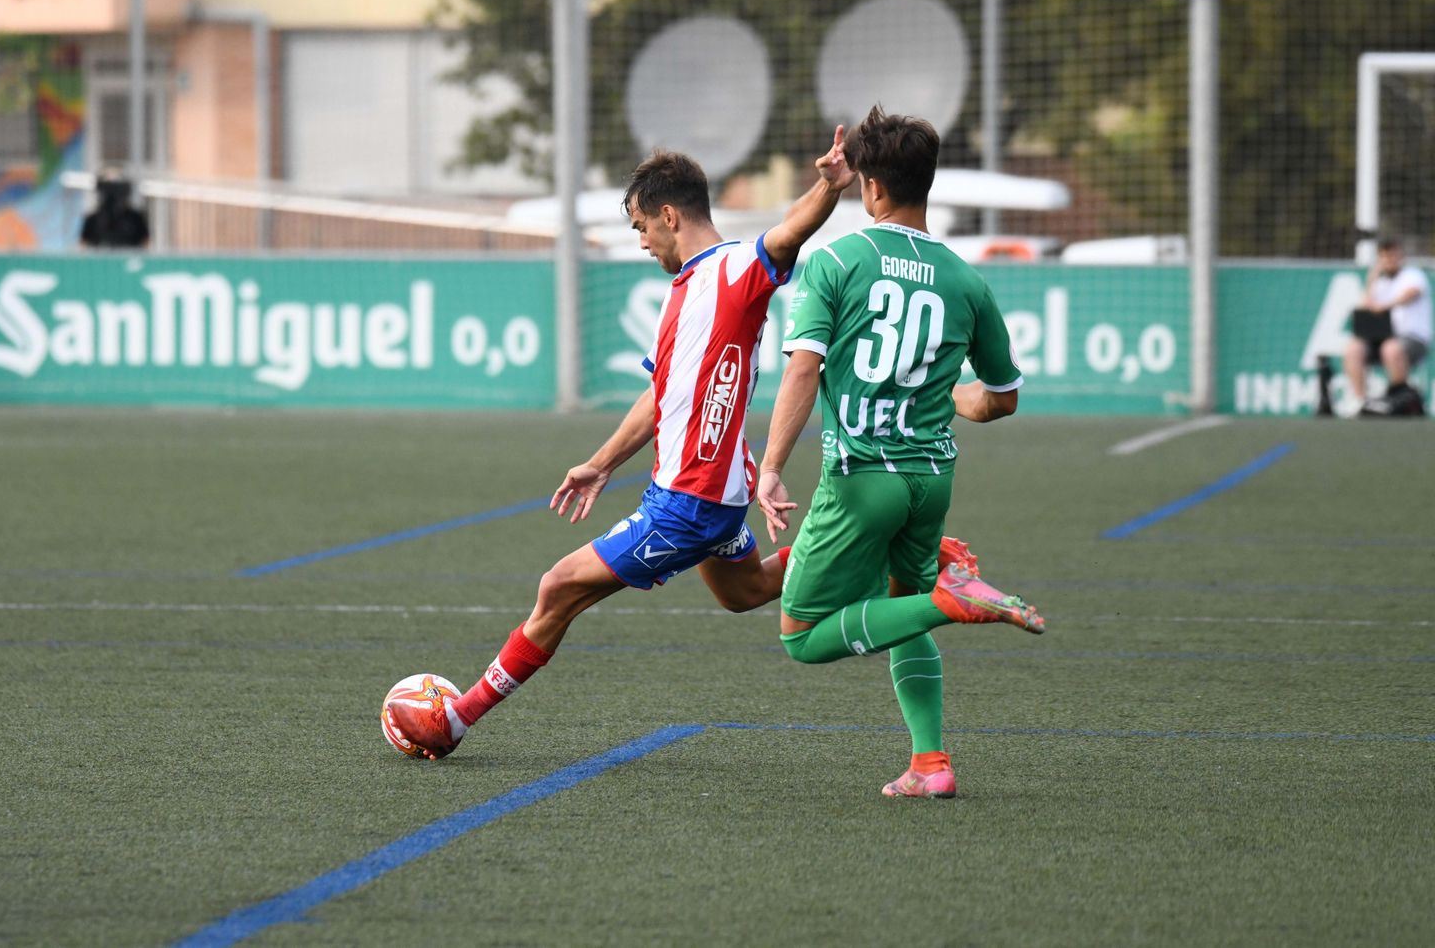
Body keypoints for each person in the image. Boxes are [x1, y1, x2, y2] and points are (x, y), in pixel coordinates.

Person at [385, 132, 870, 759]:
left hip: (691, 500)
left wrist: (831, 186)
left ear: (670, 215)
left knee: (558, 587)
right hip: (712, 494)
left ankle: (456, 718)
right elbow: (657, 398)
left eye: (643, 227)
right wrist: (599, 463)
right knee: (744, 592)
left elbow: (786, 233)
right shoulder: (687, 291)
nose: (642, 242)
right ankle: (868, 550)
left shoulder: (734, 269)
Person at [756, 106, 1045, 801]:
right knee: (901, 600)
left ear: (872, 189)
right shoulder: (966, 280)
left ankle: (952, 600)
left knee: (801, 633)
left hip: (862, 478)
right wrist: (948, 397)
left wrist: (769, 466)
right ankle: (931, 762)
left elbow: (802, 369)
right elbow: (1000, 398)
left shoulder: (834, 260)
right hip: (930, 479)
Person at [1344, 237, 1430, 417]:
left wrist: (1386, 306)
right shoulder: (1380, 283)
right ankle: (1359, 401)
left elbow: (1411, 294)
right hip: (1382, 339)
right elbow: (1366, 308)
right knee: (1354, 348)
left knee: (1391, 348)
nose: (1389, 261)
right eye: (1384, 257)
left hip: (1413, 339)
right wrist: (1372, 277)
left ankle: (1398, 396)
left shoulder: (1413, 275)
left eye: (1393, 256)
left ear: (1401, 257)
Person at [80, 175, 149, 250]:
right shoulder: (92, 220)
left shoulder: (136, 219)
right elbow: (83, 244)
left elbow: (145, 242)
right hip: (100, 258)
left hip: (130, 258)